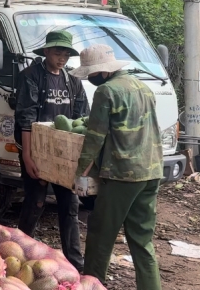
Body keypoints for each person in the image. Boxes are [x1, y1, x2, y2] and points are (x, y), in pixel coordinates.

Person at [71, 44, 163, 290]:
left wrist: (81, 173)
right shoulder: (143, 87)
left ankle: (91, 285)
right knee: (142, 241)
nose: (89, 78)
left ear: (102, 72)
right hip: (151, 171)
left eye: (90, 73)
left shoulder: (107, 91)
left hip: (123, 174)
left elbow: (94, 137)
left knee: (101, 236)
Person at [14, 30, 87, 271]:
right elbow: (26, 116)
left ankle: (75, 264)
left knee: (70, 205)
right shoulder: (30, 77)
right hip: (36, 150)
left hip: (65, 154)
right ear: (46, 52)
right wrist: (27, 155)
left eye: (66, 54)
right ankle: (20, 254)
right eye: (58, 52)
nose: (62, 57)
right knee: (35, 202)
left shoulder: (73, 82)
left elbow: (81, 120)